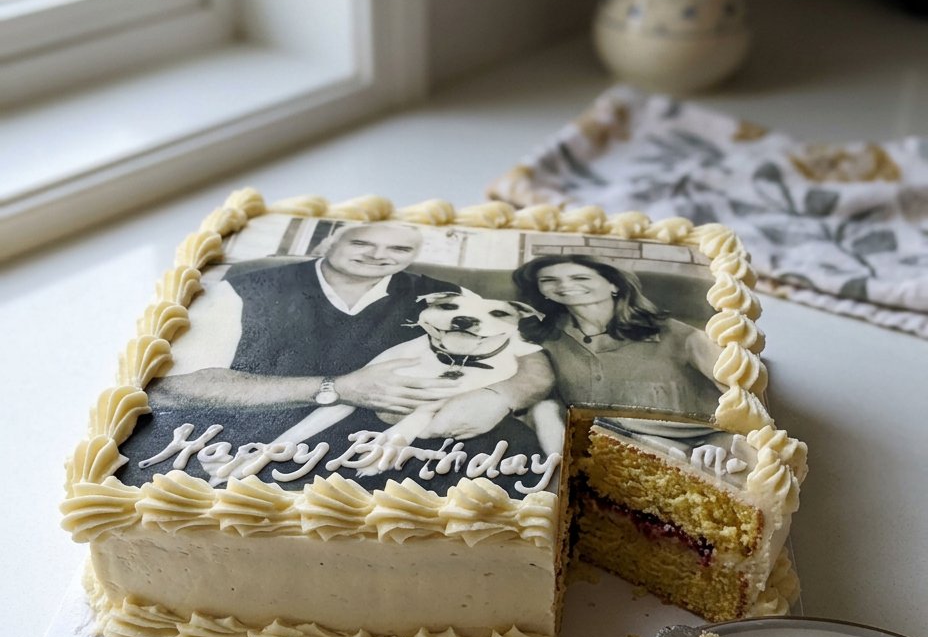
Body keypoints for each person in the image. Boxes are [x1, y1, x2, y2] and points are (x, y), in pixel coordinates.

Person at [119, 221, 555, 490]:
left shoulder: (442, 299)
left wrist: (500, 396)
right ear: (327, 241)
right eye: (363, 243)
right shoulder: (247, 288)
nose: (380, 255)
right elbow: (174, 389)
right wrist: (337, 388)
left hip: (402, 444)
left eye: (399, 249)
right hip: (257, 437)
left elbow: (530, 359)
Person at [512, 254, 721, 419]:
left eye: (580, 277)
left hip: (694, 449)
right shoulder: (540, 337)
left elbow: (741, 397)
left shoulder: (684, 337)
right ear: (542, 290)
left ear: (614, 285)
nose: (564, 286)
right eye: (548, 280)